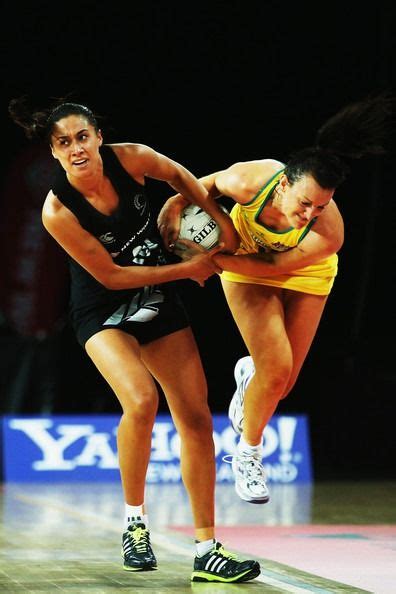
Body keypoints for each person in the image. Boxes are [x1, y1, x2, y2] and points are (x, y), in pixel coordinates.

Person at [8, 97, 261, 583]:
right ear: (54, 154)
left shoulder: (134, 159)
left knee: (194, 416)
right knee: (141, 400)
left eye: (82, 136)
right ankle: (134, 524)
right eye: (64, 143)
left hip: (158, 296)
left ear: (98, 136)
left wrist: (214, 215)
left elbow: (181, 176)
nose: (76, 148)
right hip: (103, 310)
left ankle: (207, 549)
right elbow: (109, 276)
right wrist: (189, 268)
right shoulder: (58, 210)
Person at [157, 93, 395, 505]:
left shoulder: (328, 233)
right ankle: (247, 454)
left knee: (280, 384)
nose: (308, 215)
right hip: (246, 263)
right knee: (277, 365)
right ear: (284, 184)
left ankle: (251, 374)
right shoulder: (254, 179)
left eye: (319, 207)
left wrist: (212, 259)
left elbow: (273, 268)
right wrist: (176, 204)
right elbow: (208, 185)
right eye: (304, 203)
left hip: (300, 273)